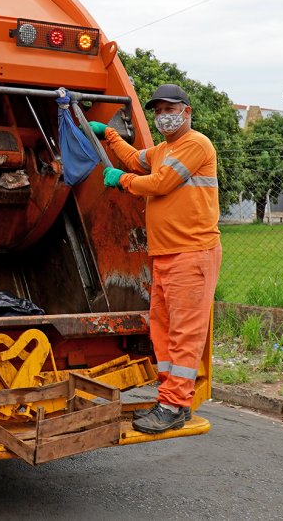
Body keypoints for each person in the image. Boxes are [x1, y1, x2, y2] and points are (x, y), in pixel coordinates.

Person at [90, 83, 221, 434]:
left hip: (192, 253)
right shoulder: (164, 149)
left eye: (170, 109)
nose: (164, 116)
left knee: (184, 333)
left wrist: (124, 181)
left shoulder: (196, 144)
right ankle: (169, 400)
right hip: (164, 255)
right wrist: (111, 136)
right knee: (162, 332)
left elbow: (161, 183)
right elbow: (137, 158)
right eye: (158, 111)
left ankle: (175, 405)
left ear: (187, 112)